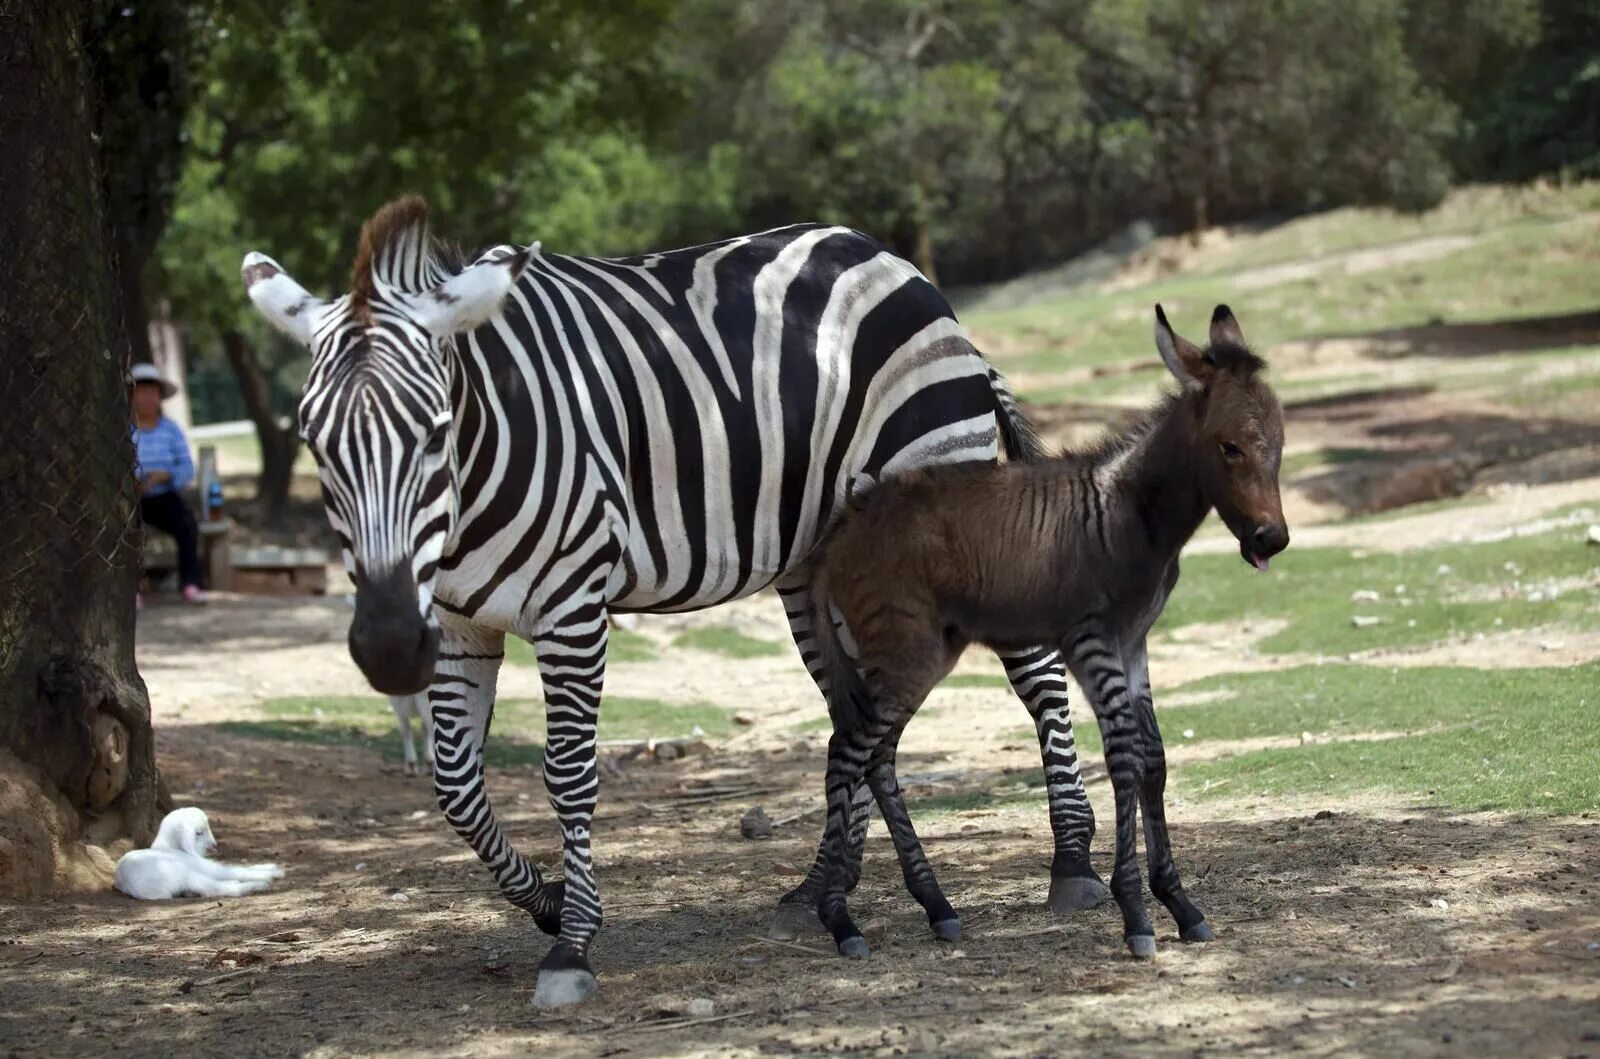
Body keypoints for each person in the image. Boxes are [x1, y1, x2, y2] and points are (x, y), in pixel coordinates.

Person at [130, 362, 204, 603]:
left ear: (160, 397)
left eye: (152, 392)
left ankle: (190, 584)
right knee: (126, 532)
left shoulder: (171, 430)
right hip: (131, 500)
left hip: (163, 497)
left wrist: (167, 475)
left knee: (187, 525)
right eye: (140, 392)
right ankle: (133, 590)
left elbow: (186, 467)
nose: (146, 398)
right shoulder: (124, 430)